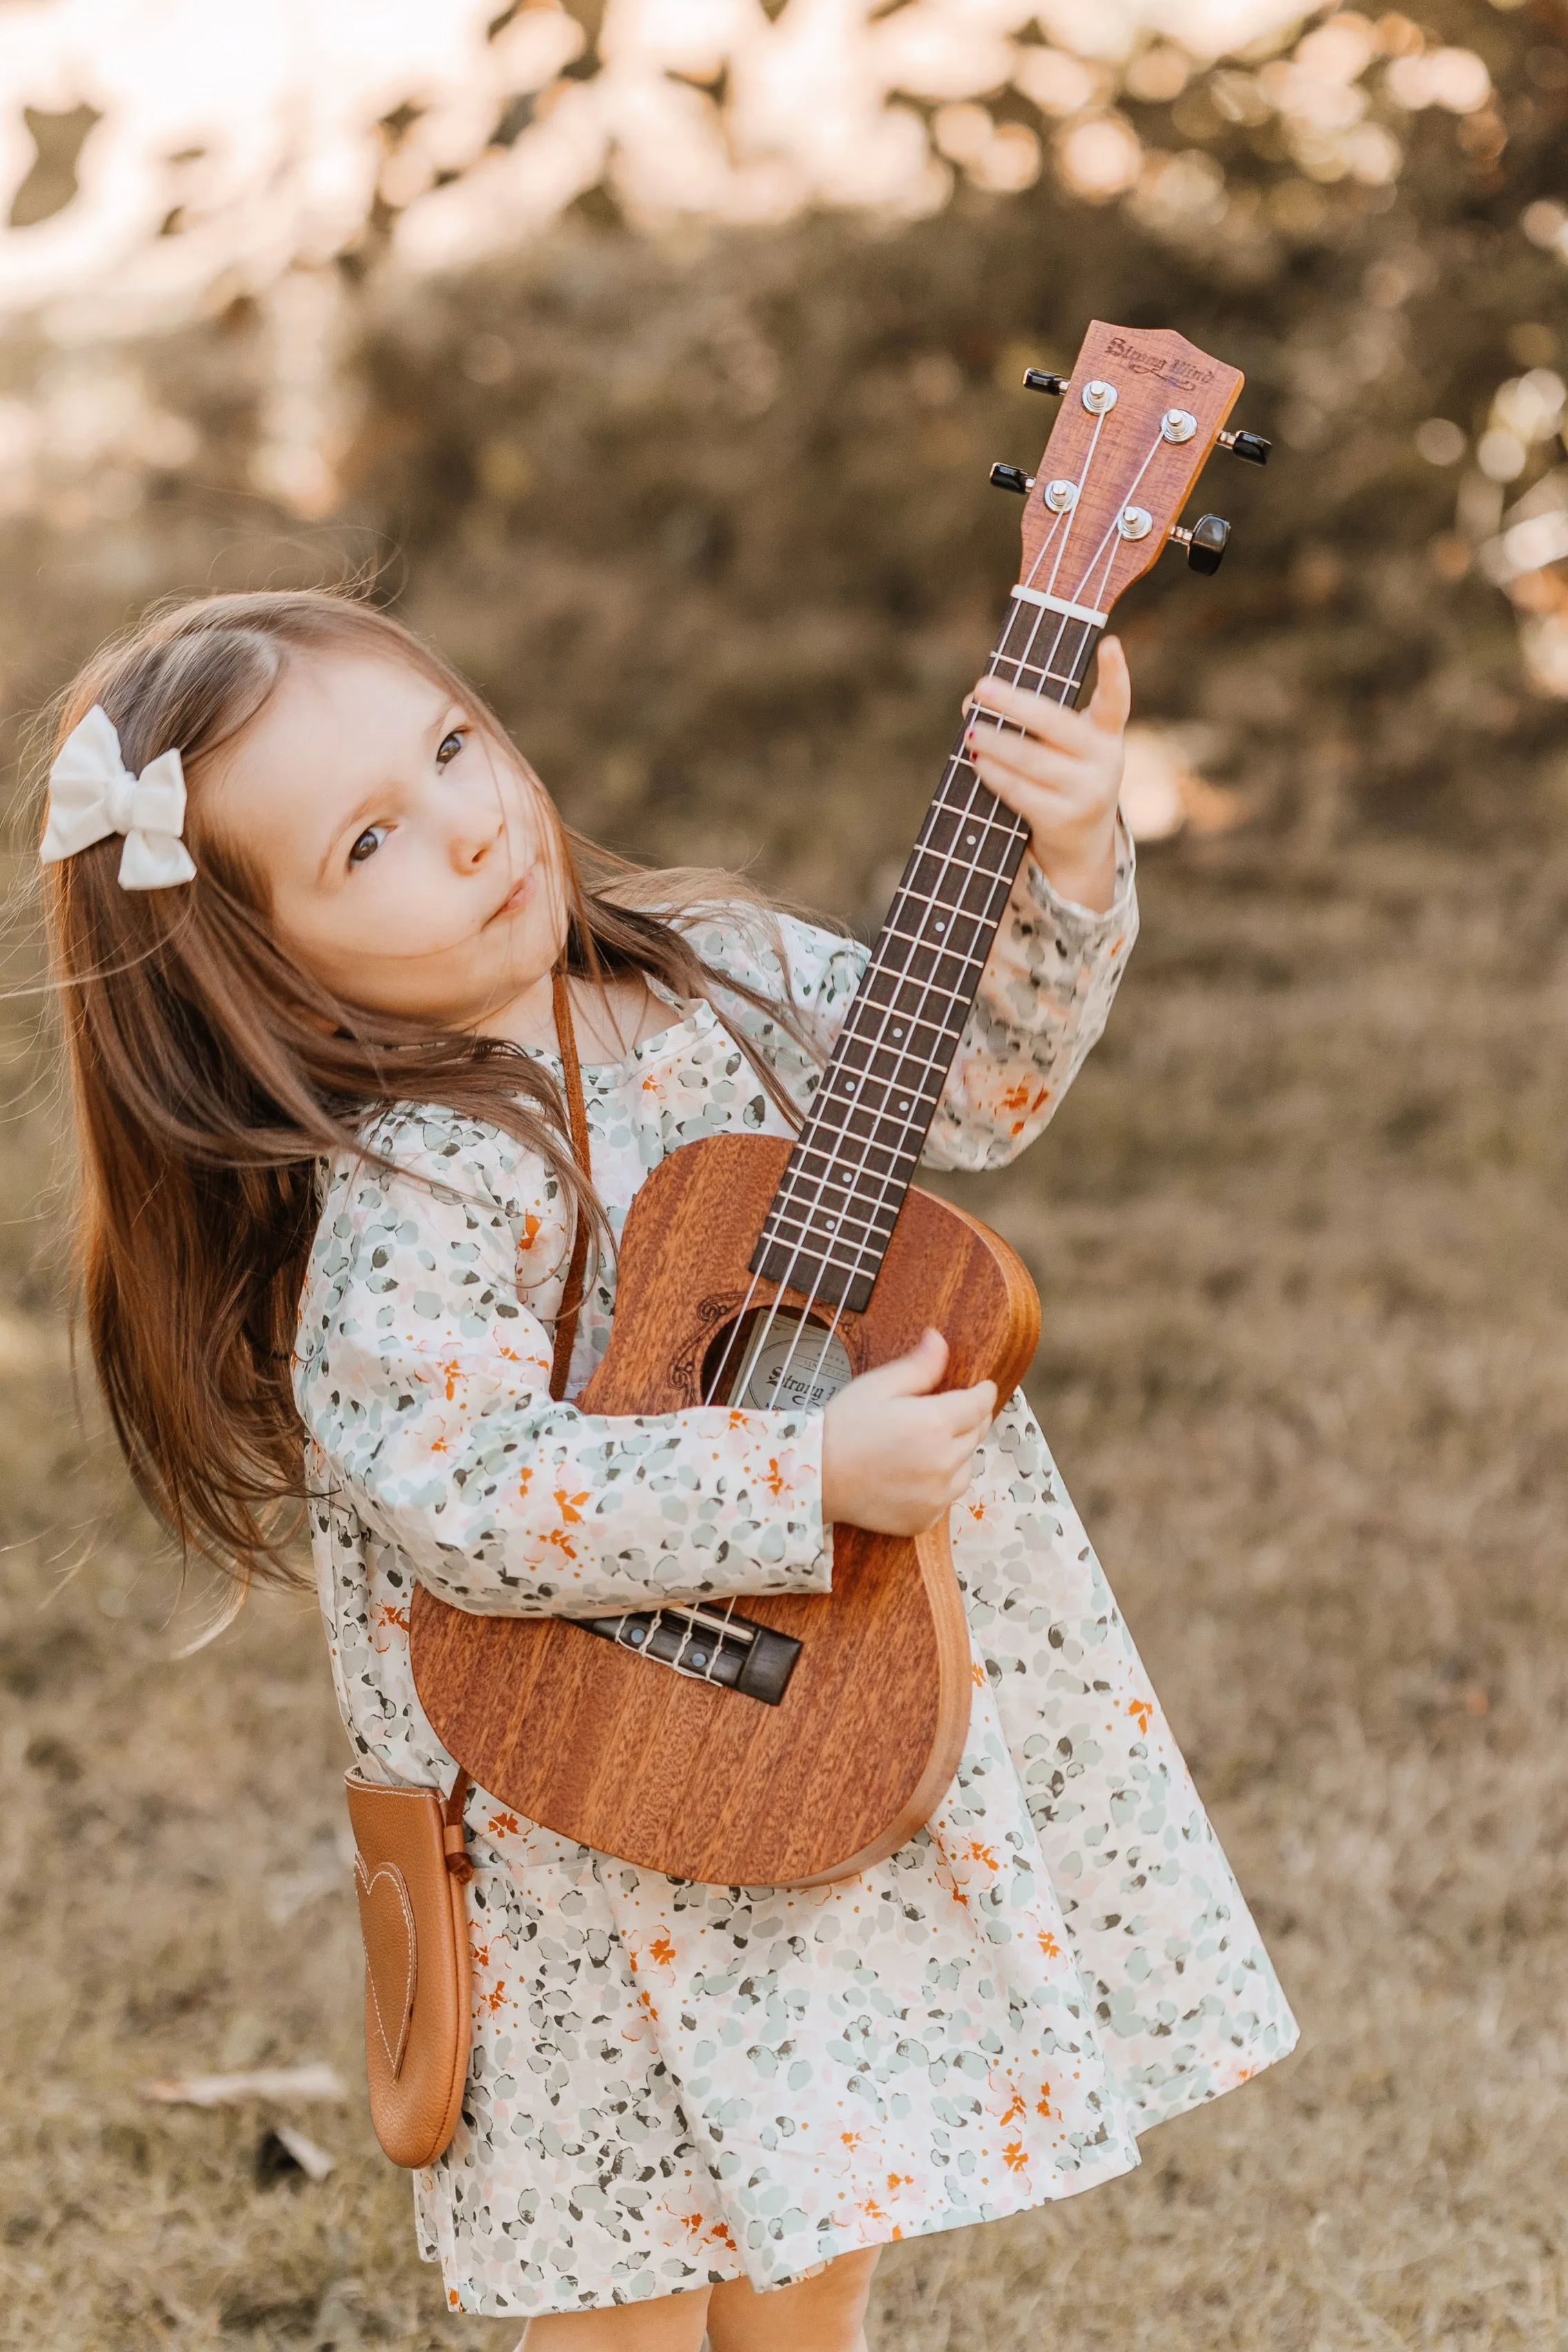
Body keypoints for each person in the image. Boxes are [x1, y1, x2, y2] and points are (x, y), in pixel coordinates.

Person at [38, 588, 1295, 2349]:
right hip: (585, 1804)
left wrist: (1069, 852)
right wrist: (796, 1479)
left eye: (452, 745)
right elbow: (463, 1491)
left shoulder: (728, 969)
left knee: (826, 2213)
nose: (473, 822)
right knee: (623, 2281)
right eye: (371, 841)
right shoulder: (417, 1177)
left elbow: (973, 1093)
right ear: (269, 969)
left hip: (824, 1715)